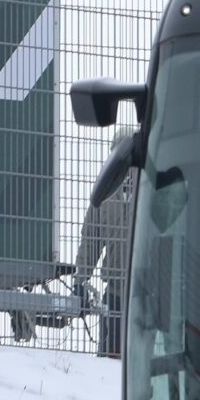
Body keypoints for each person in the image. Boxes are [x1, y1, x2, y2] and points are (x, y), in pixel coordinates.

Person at [74, 150, 137, 358]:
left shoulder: (152, 188)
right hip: (115, 294)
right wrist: (80, 281)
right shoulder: (105, 193)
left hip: (146, 293)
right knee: (109, 359)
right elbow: (91, 240)